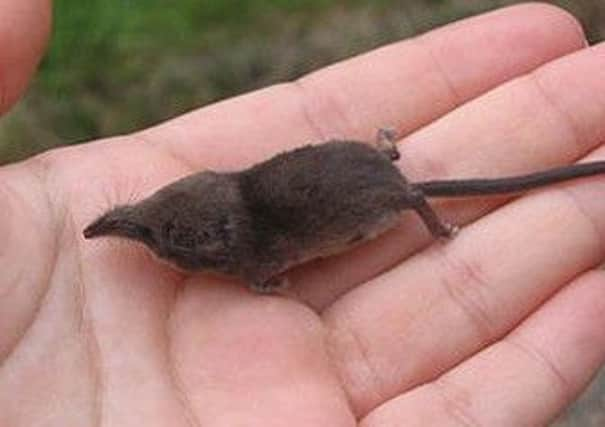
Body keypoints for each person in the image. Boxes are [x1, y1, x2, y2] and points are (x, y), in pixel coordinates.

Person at [1, 2, 604, 425]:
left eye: (160, 239)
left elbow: (262, 264)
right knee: (385, 180)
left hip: (365, 200)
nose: (139, 233)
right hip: (350, 167)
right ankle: (391, 166)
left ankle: (419, 203)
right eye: (151, 231)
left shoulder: (251, 253)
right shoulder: (227, 197)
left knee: (407, 195)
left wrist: (264, 282)